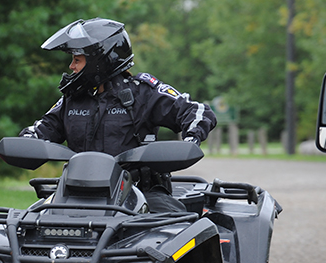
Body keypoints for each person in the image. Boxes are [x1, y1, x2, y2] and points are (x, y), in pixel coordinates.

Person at [19, 18, 216, 213]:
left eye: (77, 59)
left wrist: (192, 139)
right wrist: (28, 140)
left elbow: (197, 111)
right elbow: (41, 130)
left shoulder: (143, 93)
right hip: (76, 193)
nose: (71, 66)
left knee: (175, 230)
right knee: (30, 223)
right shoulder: (72, 100)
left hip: (140, 193)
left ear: (99, 60)